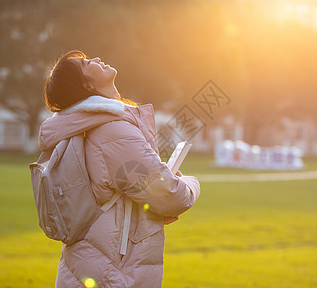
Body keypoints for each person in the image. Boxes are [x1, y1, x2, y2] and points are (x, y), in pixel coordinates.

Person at [38, 50, 200, 287]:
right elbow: (170, 194)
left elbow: (129, 195)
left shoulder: (94, 126)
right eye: (85, 63)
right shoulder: (112, 131)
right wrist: (192, 184)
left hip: (98, 267)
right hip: (112, 274)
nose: (94, 59)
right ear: (86, 84)